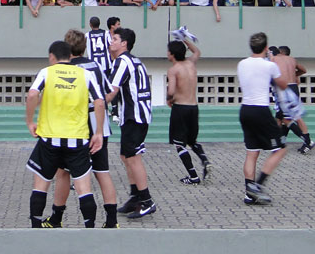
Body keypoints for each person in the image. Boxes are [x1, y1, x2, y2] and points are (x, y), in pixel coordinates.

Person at [42, 30, 118, 228]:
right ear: (85, 45)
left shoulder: (63, 69)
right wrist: (96, 105)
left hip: (75, 126)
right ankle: (112, 221)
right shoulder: (95, 65)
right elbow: (109, 93)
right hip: (99, 124)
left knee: (64, 172)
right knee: (102, 171)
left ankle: (56, 218)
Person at [25, 41, 105, 228]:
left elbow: (32, 95)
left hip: (49, 138)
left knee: (41, 184)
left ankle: (35, 227)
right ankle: (89, 228)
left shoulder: (47, 72)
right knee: (83, 188)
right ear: (70, 56)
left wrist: (30, 121)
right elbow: (99, 103)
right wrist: (99, 132)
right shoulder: (86, 74)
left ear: (52, 56)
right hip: (77, 139)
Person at [107, 28, 156, 218]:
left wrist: (94, 105)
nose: (111, 41)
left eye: (115, 39)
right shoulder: (134, 60)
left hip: (134, 116)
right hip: (135, 115)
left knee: (133, 157)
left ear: (124, 43)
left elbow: (112, 91)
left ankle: (147, 201)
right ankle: (136, 197)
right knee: (126, 156)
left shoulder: (122, 61)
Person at [237, 32, 288, 205]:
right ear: (266, 48)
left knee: (252, 153)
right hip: (261, 110)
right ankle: (257, 186)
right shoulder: (269, 66)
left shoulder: (242, 64)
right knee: (280, 149)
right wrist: (273, 64)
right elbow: (283, 85)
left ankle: (248, 193)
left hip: (245, 109)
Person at [166, 33, 211, 184]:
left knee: (179, 143)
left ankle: (193, 176)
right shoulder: (191, 63)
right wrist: (184, 39)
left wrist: (169, 99)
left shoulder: (174, 70)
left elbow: (171, 90)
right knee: (192, 140)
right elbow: (197, 52)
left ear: (171, 54)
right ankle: (204, 160)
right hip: (193, 107)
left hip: (180, 108)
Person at [270, 46, 315, 154]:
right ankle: (281, 142)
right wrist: (294, 74)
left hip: (284, 89)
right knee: (284, 117)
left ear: (279, 52)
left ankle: (307, 140)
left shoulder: (276, 59)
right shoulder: (292, 60)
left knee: (286, 118)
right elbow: (303, 70)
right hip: (294, 87)